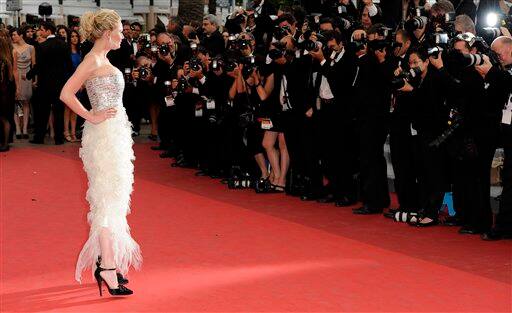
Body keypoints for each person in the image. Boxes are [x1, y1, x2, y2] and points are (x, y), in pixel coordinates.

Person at [59, 9, 142, 296]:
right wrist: (90, 116)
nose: (124, 35)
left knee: (115, 196)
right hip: (104, 137)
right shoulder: (92, 60)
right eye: (120, 30)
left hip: (116, 133)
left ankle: (107, 261)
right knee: (107, 198)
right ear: (108, 33)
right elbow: (66, 93)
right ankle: (107, 266)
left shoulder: (103, 59)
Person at [10, 28, 35, 139]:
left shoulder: (31, 48)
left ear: (21, 35)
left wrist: (35, 79)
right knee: (16, 103)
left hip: (27, 77)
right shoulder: (11, 48)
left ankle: (25, 128)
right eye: (12, 35)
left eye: (14, 35)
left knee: (26, 102)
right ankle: (18, 129)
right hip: (15, 76)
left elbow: (34, 65)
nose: (12, 37)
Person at [0, 37, 16, 152]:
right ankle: (5, 143)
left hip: (2, 93)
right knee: (5, 119)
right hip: (5, 94)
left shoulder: (2, 61)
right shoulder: (8, 61)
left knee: (3, 119)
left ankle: (4, 143)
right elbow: (11, 78)